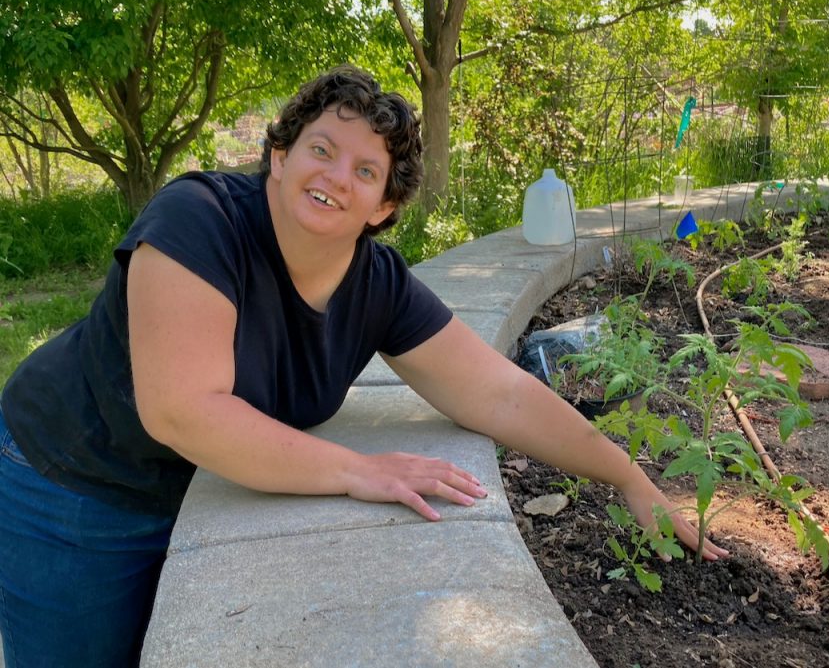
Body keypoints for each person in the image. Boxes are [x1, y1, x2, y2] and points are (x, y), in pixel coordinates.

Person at [0, 65, 727, 668]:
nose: (336, 176)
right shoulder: (197, 219)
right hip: (72, 484)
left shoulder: (375, 283)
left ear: (384, 205)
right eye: (320, 149)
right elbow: (181, 408)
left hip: (196, 487)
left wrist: (627, 475)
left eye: (366, 169)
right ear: (279, 156)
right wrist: (357, 469)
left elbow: (498, 393)